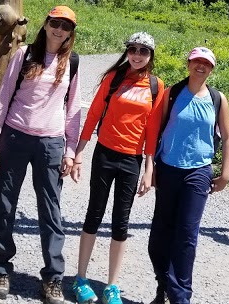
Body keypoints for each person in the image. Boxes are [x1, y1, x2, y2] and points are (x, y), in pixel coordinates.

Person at [0, 5, 82, 304]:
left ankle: (53, 277)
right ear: (46, 23)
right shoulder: (24, 55)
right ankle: (0, 267)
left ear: (70, 32)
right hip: (15, 135)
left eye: (65, 25)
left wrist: (70, 150)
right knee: (3, 202)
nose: (59, 29)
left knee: (51, 211)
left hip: (50, 143)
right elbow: (2, 98)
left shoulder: (72, 62)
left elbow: (73, 109)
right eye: (55, 22)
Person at [70, 32, 165, 304]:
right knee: (94, 214)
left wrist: (149, 168)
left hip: (131, 161)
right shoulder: (113, 79)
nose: (137, 55)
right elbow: (93, 115)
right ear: (127, 52)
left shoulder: (156, 87)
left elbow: (152, 130)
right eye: (132, 49)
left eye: (143, 51)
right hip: (105, 154)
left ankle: (112, 286)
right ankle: (81, 278)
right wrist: (78, 154)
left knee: (120, 223)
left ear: (150, 56)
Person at [144, 46, 229, 304]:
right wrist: (150, 167)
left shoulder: (218, 99)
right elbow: (155, 130)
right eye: (197, 61)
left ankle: (180, 298)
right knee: (160, 234)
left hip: (198, 172)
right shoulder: (172, 93)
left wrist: (225, 173)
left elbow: (227, 137)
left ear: (212, 68)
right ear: (189, 63)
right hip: (168, 168)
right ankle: (163, 286)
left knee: (186, 236)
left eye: (206, 63)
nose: (201, 66)